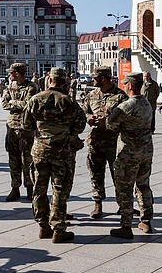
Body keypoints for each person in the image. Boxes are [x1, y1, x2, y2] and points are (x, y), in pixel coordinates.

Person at [23, 67, 86, 244]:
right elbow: (80, 125)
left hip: (40, 151)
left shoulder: (35, 99)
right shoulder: (69, 102)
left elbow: (26, 125)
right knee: (59, 189)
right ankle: (59, 229)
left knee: (39, 189)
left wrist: (41, 132)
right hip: (62, 152)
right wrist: (65, 133)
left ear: (49, 80)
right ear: (64, 83)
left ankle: (43, 226)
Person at [94, 72, 154, 239]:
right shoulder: (146, 104)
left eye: (125, 84)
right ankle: (146, 220)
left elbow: (111, 124)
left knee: (125, 189)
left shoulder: (126, 106)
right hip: (146, 151)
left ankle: (126, 226)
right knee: (143, 186)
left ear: (130, 85)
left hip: (128, 153)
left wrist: (101, 121)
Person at [82, 66, 128, 218]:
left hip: (114, 143)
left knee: (118, 176)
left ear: (103, 78)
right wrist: (88, 117)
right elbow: (84, 111)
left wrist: (107, 122)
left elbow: (126, 119)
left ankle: (122, 205)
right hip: (95, 141)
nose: (92, 80)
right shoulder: (91, 95)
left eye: (94, 78)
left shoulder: (120, 96)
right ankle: (97, 204)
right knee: (95, 174)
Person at [1, 63, 39, 202]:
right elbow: (4, 104)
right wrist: (17, 103)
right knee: (13, 159)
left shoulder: (31, 87)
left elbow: (30, 105)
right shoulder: (10, 86)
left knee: (27, 160)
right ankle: (15, 188)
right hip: (12, 127)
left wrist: (13, 102)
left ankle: (30, 189)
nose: (9, 75)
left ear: (17, 73)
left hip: (26, 128)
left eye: (11, 73)